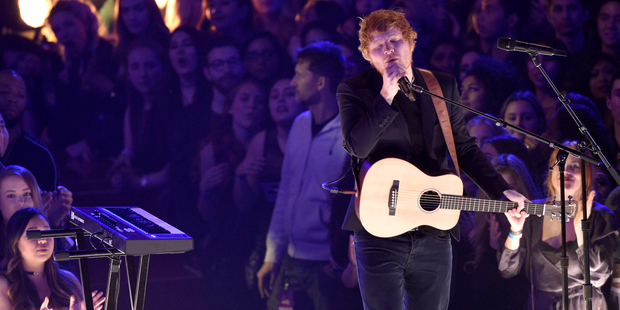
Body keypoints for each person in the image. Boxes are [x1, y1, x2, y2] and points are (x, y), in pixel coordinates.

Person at [337, 10, 527, 310]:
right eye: (378, 46)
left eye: (395, 41)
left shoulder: (441, 86)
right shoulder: (354, 91)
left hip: (432, 226)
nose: (388, 50)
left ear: (411, 42)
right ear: (367, 55)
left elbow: (464, 149)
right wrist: (387, 93)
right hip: (378, 227)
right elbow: (357, 146)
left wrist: (503, 191)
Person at [256, 41, 349, 310]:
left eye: (299, 75)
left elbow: (354, 203)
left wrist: (340, 259)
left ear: (321, 82)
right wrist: (272, 256)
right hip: (292, 257)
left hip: (328, 263)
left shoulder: (350, 132)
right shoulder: (299, 125)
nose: (292, 82)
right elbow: (285, 193)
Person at [501, 141, 619, 310]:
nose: (566, 170)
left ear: (587, 174)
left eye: (576, 166)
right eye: (560, 163)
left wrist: (581, 232)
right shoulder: (534, 211)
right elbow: (507, 269)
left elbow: (598, 275)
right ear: (551, 171)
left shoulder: (601, 216)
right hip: (541, 304)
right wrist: (515, 231)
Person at [0, 207, 105, 310]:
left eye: (47, 232)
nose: (43, 240)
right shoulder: (4, 284)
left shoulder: (69, 280)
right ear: (15, 241)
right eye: (34, 234)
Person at [0, 70, 58, 192]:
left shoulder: (39, 154)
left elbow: (49, 207)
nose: (13, 99)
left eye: (20, 95)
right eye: (4, 92)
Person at [0, 165, 73, 261]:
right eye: (11, 196)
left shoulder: (46, 232)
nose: (21, 201)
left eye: (27, 194)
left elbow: (64, 269)